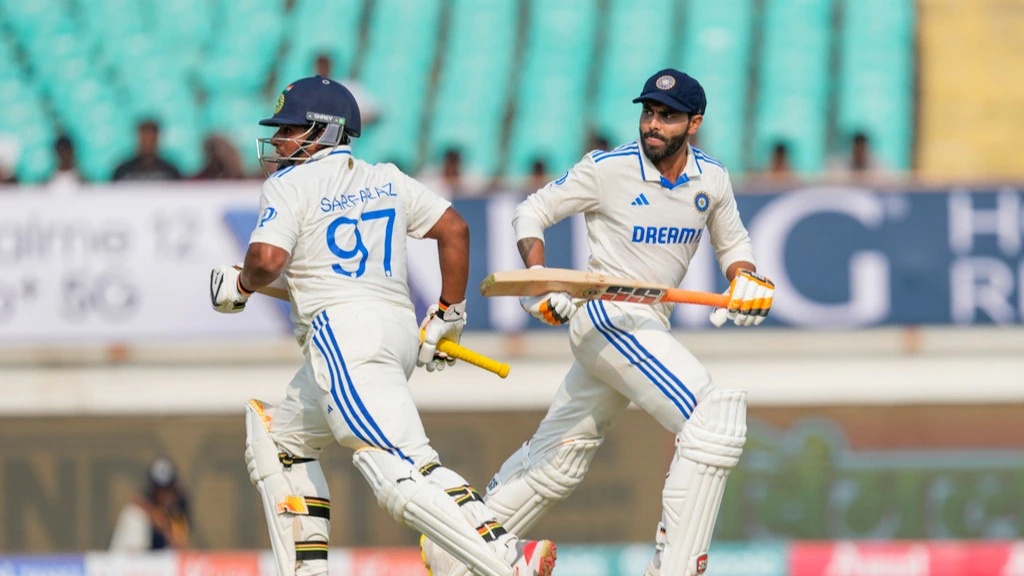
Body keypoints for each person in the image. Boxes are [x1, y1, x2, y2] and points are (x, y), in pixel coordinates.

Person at [422, 69, 776, 576]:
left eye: (668, 116)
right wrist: (540, 277)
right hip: (608, 316)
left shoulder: (712, 179)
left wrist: (745, 279)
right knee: (712, 419)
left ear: (694, 123)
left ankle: (456, 547)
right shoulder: (607, 169)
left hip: (649, 324)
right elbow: (531, 212)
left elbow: (734, 243)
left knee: (562, 458)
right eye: (648, 112)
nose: (653, 125)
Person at [208, 75, 557, 576]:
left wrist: (241, 286)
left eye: (287, 130)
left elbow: (266, 258)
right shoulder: (386, 177)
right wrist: (448, 315)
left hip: (341, 336)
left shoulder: (288, 183)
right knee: (279, 439)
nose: (278, 142)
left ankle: (507, 558)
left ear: (319, 133)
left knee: (396, 467)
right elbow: (454, 229)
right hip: (392, 328)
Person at [109, 457, 191, 552]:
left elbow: (179, 543)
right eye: (160, 489)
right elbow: (136, 501)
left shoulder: (177, 507)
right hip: (135, 561)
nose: (164, 494)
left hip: (163, 560)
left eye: (167, 489)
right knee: (134, 517)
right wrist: (153, 515)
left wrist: (164, 525)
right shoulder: (140, 508)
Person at [112, 120, 182, 181]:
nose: (148, 143)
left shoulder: (170, 172)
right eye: (145, 139)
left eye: (151, 139)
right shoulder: (123, 172)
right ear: (138, 139)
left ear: (157, 139)